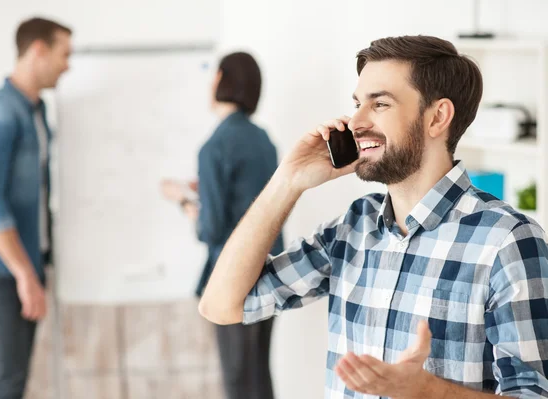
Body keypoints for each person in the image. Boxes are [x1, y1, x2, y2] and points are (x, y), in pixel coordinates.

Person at [198, 35, 548, 398]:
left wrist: (430, 391)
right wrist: (288, 182)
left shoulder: (508, 241)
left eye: (379, 103)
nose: (355, 121)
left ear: (438, 117)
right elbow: (222, 306)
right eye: (356, 104)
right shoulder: (353, 227)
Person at [0, 17, 72, 399]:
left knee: (15, 379)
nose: (67, 65)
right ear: (38, 50)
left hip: (25, 263)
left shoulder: (36, 113)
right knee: (7, 378)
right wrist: (24, 274)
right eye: (63, 54)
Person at [161, 52, 283, 399]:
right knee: (259, 376)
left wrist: (183, 201)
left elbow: (211, 229)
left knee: (237, 381)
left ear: (219, 80)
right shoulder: (263, 140)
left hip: (232, 278)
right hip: (268, 271)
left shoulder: (214, 146)